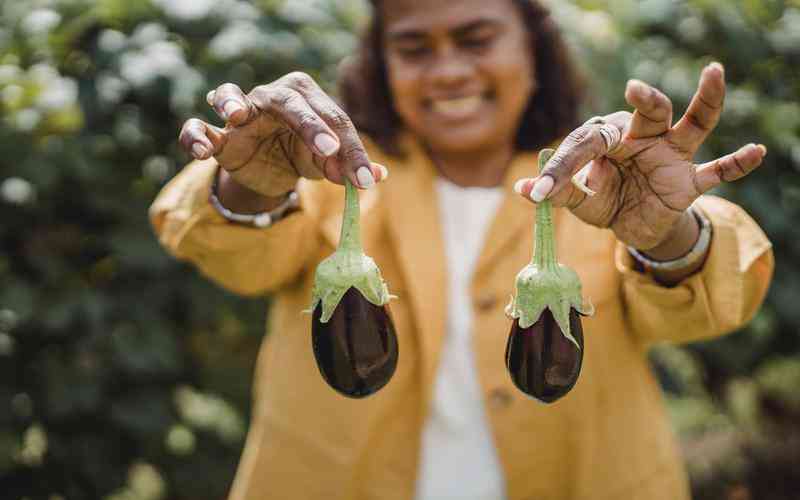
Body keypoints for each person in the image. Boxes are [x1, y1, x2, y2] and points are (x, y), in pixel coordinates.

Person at [150, 0, 774, 498]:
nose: (447, 69)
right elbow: (227, 250)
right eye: (414, 47)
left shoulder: (599, 177)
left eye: (476, 39)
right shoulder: (328, 172)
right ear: (381, 63)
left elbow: (717, 300)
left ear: (534, 50)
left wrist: (667, 232)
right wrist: (251, 185)